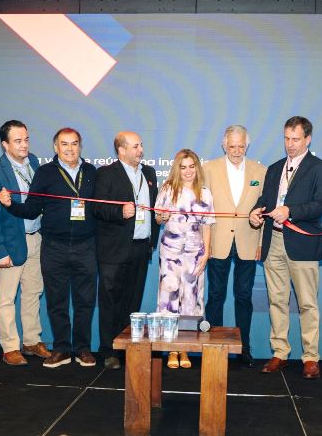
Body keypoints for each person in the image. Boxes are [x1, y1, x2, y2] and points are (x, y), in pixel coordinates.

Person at [0, 128, 97, 368]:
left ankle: (83, 348)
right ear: (56, 147)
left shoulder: (91, 172)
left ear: (80, 146)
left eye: (74, 143)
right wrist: (11, 205)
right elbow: (32, 208)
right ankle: (62, 349)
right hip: (54, 247)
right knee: (56, 301)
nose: (70, 148)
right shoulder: (45, 173)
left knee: (85, 301)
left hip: (86, 246)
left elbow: (101, 209)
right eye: (64, 144)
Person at [250, 116, 322, 379]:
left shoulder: (320, 168)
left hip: (302, 244)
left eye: (295, 139)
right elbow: (265, 200)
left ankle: (311, 357)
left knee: (307, 303)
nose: (290, 144)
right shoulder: (275, 168)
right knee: (277, 300)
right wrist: (255, 212)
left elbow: (321, 204)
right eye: (287, 138)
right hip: (273, 241)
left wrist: (290, 211)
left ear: (308, 139)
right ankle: (280, 352)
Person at [0, 120, 50, 366]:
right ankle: (10, 347)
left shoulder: (34, 163)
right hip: (11, 243)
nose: (24, 145)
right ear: (5, 144)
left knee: (33, 292)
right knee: (7, 297)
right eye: (17, 141)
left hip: (36, 238)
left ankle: (31, 341)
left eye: (26, 139)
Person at [94, 131, 159, 370]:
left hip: (141, 247)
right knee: (111, 301)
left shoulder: (149, 173)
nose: (140, 150)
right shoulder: (106, 173)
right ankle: (108, 350)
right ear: (121, 150)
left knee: (132, 302)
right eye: (135, 146)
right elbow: (97, 208)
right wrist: (119, 212)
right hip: (114, 250)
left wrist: (158, 222)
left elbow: (154, 207)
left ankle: (125, 348)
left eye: (141, 145)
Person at [203, 125, 266, 368]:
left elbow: (264, 209)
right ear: (224, 145)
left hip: (248, 242)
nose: (237, 151)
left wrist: (260, 242)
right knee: (215, 296)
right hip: (217, 242)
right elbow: (203, 208)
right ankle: (214, 347)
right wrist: (205, 243)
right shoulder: (209, 168)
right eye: (232, 146)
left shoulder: (260, 171)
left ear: (247, 145)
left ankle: (244, 349)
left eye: (241, 146)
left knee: (244, 297)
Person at [156, 149, 215, 369]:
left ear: (197, 168)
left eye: (191, 166)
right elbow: (158, 218)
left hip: (195, 253)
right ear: (177, 169)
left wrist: (206, 252)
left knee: (191, 299)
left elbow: (207, 225)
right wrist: (162, 216)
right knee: (169, 296)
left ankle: (185, 348)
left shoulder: (205, 193)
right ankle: (171, 348)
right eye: (183, 167)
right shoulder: (167, 189)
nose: (188, 171)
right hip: (170, 252)